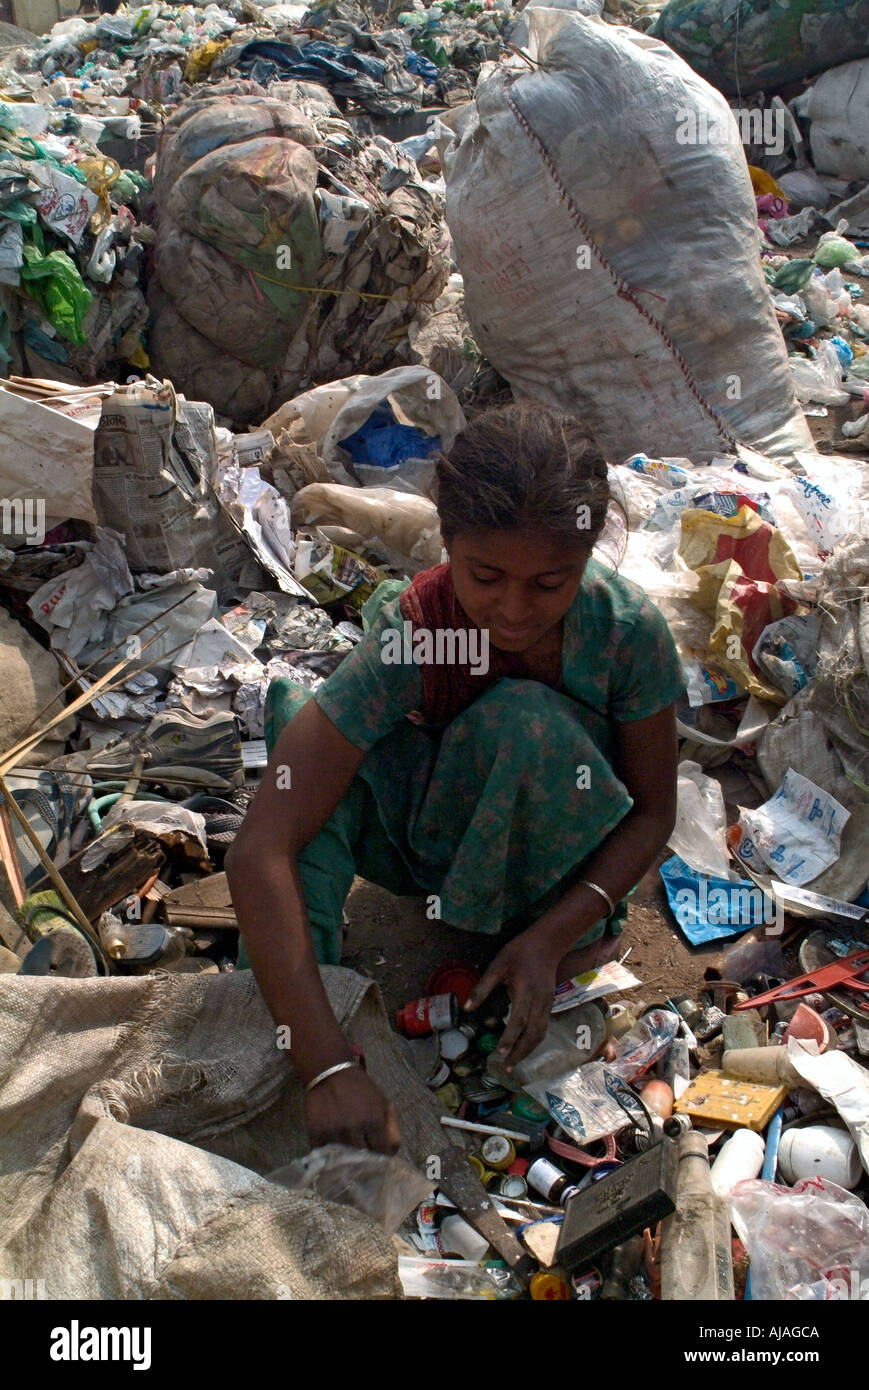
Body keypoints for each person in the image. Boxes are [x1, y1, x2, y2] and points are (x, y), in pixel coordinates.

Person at [226, 402, 683, 1155]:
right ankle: (295, 1027)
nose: (512, 608)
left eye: (548, 583)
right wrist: (325, 1062)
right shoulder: (422, 630)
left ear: (587, 558)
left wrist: (550, 937)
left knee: (526, 722)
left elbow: (651, 816)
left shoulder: (626, 635)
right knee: (301, 732)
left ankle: (531, 943)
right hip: (446, 838)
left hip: (560, 866)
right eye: (486, 576)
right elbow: (260, 847)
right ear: (447, 544)